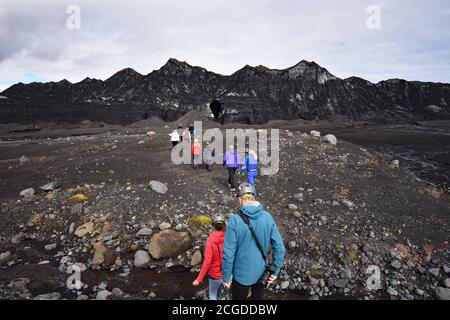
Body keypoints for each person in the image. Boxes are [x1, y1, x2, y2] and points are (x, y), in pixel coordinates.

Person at [222, 183, 285, 300]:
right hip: (261, 272)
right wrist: (275, 270)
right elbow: (280, 247)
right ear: (254, 198)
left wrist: (226, 277)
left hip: (240, 274)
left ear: (240, 200)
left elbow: (228, 254)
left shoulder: (234, 220)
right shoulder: (267, 217)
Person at [192, 215, 226, 300]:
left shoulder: (210, 240)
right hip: (227, 274)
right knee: (226, 296)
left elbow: (207, 261)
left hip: (214, 275)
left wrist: (199, 279)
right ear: (224, 226)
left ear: (213, 226)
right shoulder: (228, 238)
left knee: (213, 295)